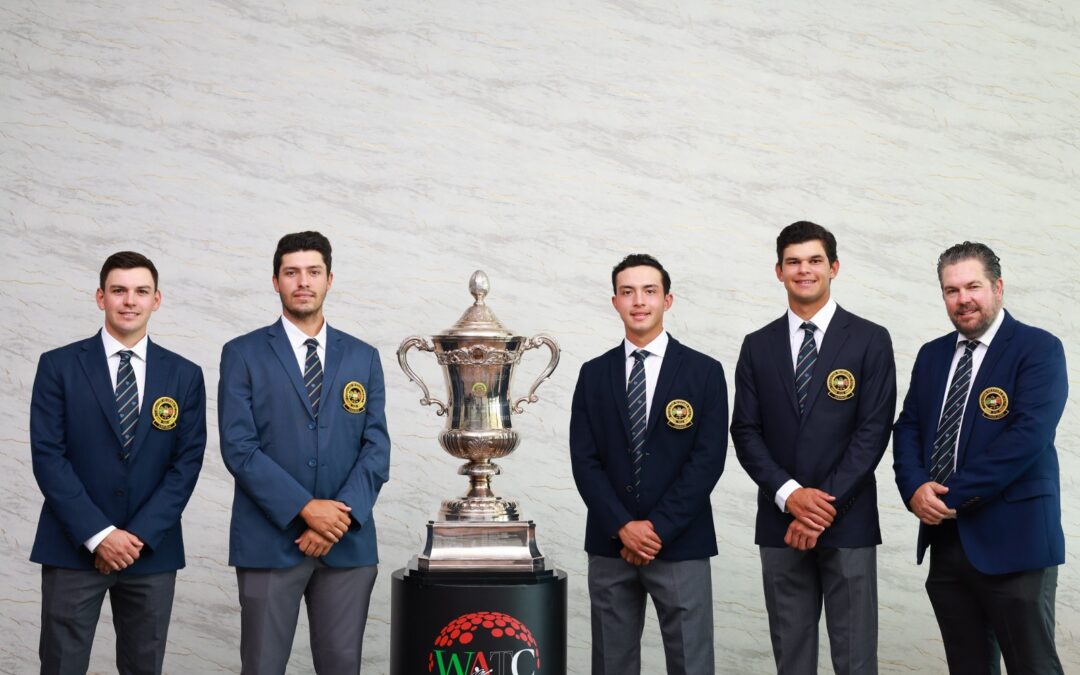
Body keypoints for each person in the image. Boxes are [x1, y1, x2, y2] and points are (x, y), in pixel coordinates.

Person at [218, 231, 390, 675]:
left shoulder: (363, 357)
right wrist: (305, 510)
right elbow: (239, 448)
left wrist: (338, 519)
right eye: (291, 272)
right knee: (262, 667)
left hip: (346, 544)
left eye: (313, 272)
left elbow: (376, 447)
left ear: (330, 279)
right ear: (275, 281)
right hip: (270, 542)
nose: (303, 282)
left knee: (341, 667)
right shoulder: (242, 354)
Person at [29, 251, 207, 675]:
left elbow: (186, 464)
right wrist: (99, 534)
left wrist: (137, 536)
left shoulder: (185, 375)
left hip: (150, 552)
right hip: (73, 547)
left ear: (157, 300)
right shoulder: (58, 366)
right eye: (119, 290)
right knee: (61, 666)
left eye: (141, 291)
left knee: (144, 667)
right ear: (100, 297)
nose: (130, 300)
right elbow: (48, 457)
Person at [893, 241, 1066, 674]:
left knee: (1033, 666)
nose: (963, 298)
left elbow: (1027, 438)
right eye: (951, 290)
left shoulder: (1038, 349)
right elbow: (908, 427)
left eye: (973, 286)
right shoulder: (933, 355)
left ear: (998, 287)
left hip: (1016, 542)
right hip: (947, 544)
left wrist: (947, 496)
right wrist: (915, 489)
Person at [731, 221, 896, 675]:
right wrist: (791, 496)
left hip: (849, 523)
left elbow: (873, 431)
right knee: (792, 658)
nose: (804, 270)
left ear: (834, 267)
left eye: (815, 260)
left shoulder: (869, 339)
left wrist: (821, 507)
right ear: (779, 271)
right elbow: (745, 431)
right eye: (794, 262)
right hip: (780, 523)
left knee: (856, 659)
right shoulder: (757, 346)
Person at [569, 253, 728, 674]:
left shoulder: (704, 372)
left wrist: (655, 529)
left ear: (668, 300)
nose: (639, 301)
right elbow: (584, 461)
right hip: (610, 543)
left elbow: (707, 461)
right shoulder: (593, 374)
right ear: (615, 302)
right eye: (628, 292)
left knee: (691, 662)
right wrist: (623, 526)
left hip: (680, 542)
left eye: (649, 291)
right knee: (611, 663)